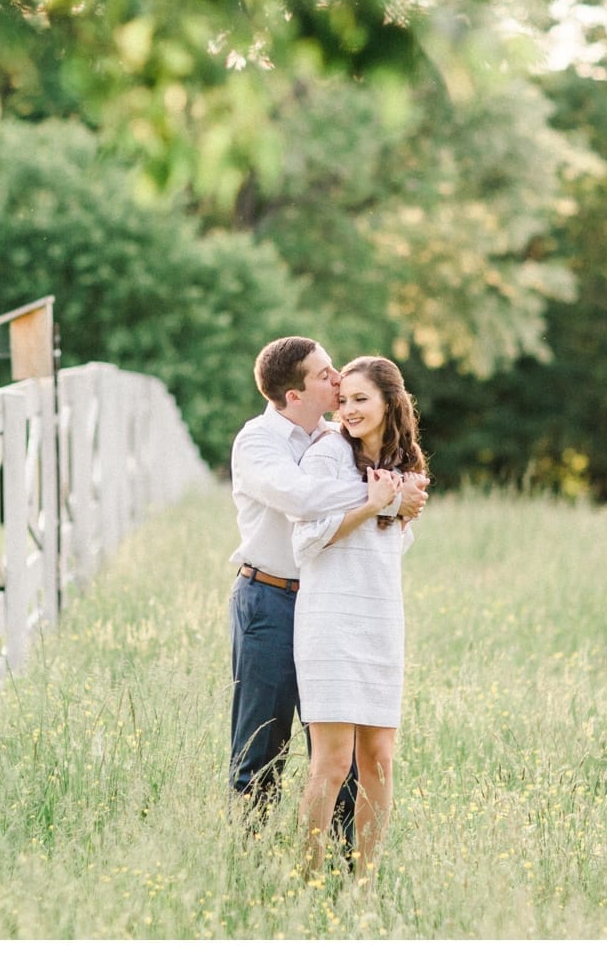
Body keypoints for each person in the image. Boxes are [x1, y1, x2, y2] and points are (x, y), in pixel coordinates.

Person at [227, 338, 428, 844]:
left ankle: (337, 873)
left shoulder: (337, 441)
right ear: (295, 394)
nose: (337, 379)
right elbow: (302, 500)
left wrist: (391, 496)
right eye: (325, 374)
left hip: (331, 603)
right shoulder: (258, 443)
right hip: (272, 599)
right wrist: (385, 495)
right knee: (262, 744)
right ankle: (248, 862)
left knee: (340, 755)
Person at [291, 355, 429, 880]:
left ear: (390, 402)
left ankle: (363, 884)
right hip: (329, 616)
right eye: (342, 400)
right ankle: (304, 880)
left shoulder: (404, 464)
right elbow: (306, 538)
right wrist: (375, 505)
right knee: (331, 763)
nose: (346, 410)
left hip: (380, 616)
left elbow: (396, 544)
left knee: (378, 759)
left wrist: (394, 503)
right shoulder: (327, 455)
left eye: (360, 399)